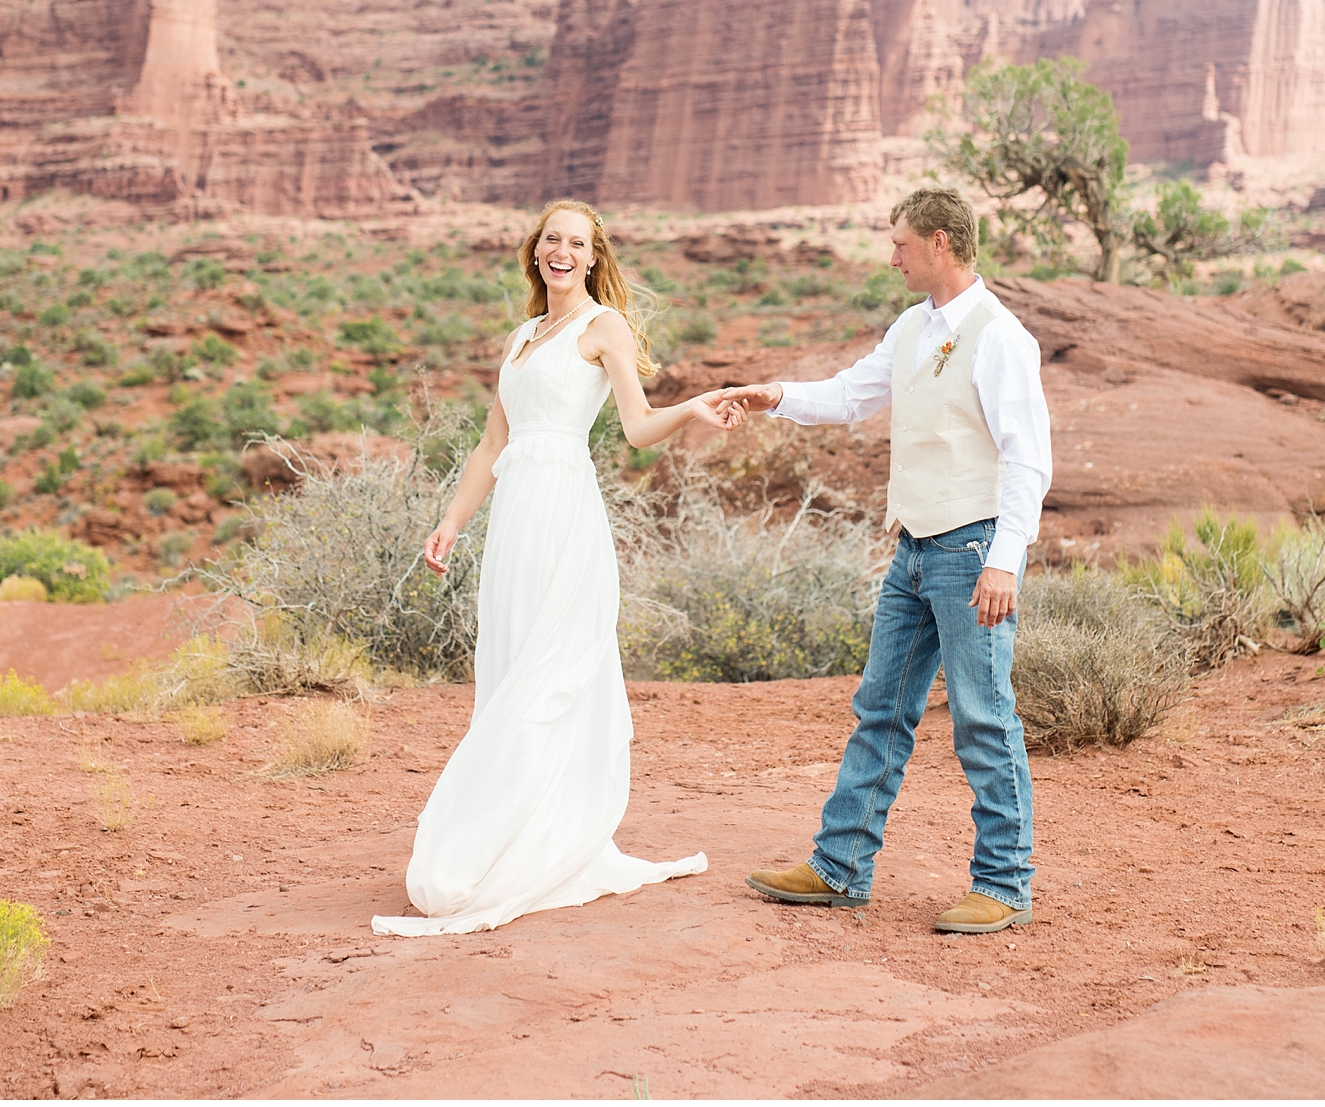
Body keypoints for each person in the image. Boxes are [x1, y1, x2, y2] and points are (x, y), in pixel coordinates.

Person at [372, 199, 739, 937]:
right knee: (509, 667)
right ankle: (507, 835)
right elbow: (489, 448)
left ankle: (543, 842)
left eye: (577, 242)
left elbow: (636, 430)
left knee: (552, 673)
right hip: (515, 522)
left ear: (594, 257)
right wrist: (449, 523)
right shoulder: (519, 338)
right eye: (552, 240)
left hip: (567, 516)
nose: (562, 252)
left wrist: (692, 407)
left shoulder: (604, 327)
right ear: (534, 252)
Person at [721, 186, 1052, 934]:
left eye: (900, 241)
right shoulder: (913, 325)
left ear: (940, 243)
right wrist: (775, 395)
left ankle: (1003, 884)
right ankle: (839, 869)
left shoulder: (1000, 337)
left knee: (983, 715)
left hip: (972, 552)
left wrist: (1004, 561)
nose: (891, 254)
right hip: (913, 548)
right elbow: (850, 394)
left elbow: (1028, 460)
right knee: (882, 708)